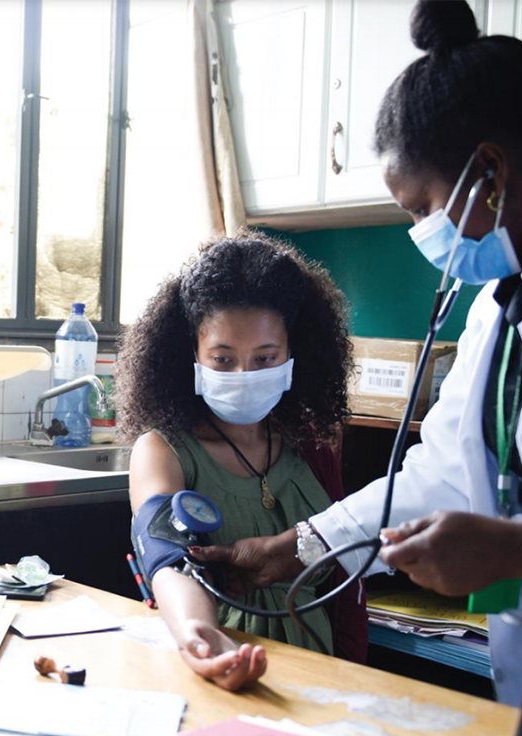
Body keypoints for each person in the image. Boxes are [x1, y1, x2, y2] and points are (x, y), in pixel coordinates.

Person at [195, 0, 522, 718]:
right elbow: (440, 478)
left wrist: (517, 549)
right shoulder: (495, 307)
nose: (421, 231)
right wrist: (295, 547)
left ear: (490, 174)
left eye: (421, 208)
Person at [117, 231, 365, 691]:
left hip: (320, 674)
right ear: (190, 354)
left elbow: (344, 575)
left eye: (265, 357)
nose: (244, 376)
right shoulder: (161, 450)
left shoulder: (313, 444)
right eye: (223, 359)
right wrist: (200, 634)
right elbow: (164, 555)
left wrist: (353, 673)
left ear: (294, 353)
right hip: (213, 666)